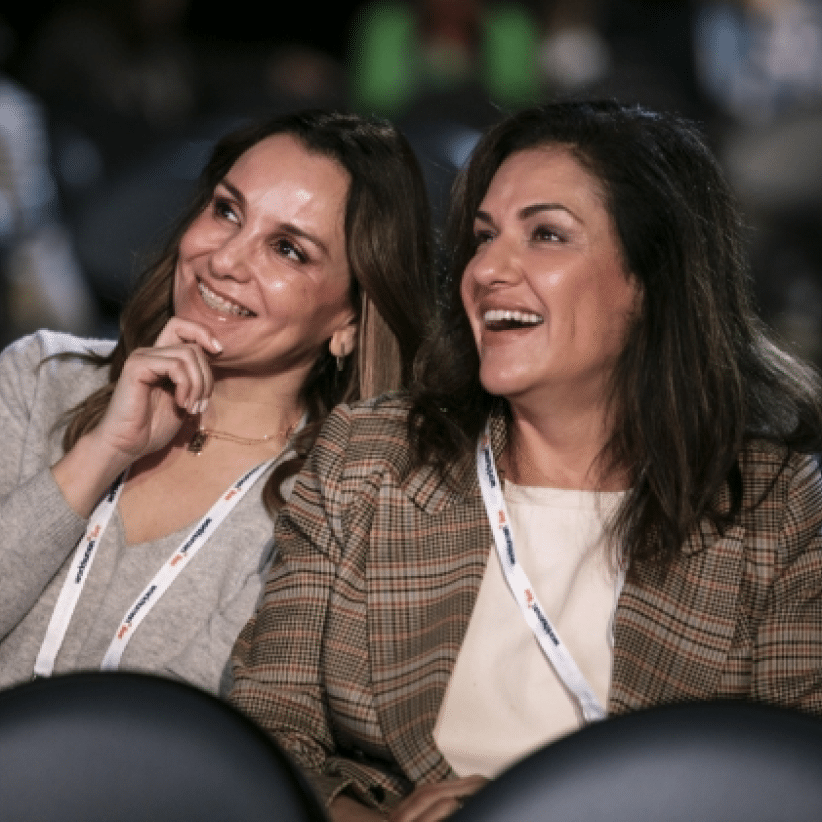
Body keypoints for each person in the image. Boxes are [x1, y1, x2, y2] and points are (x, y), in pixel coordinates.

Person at [229, 99, 822, 821]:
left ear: (650, 281)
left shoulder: (778, 508)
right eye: (483, 237)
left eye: (545, 235)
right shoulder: (369, 457)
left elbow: (794, 782)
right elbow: (266, 735)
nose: (487, 269)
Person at [0, 109, 435, 697]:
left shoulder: (332, 504)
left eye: (287, 249)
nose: (225, 260)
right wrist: (103, 451)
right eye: (227, 211)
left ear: (350, 321)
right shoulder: (40, 375)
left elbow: (221, 739)